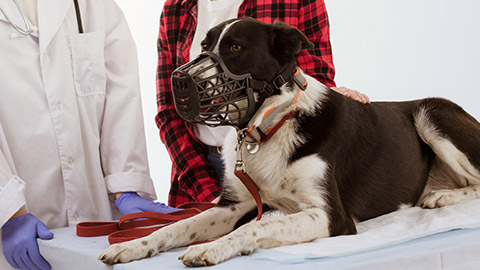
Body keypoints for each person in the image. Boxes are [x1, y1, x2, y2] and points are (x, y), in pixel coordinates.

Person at [0, 0, 177, 269]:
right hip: (11, 235)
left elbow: (121, 95)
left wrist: (126, 185)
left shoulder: (95, 6)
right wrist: (8, 210)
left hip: (96, 222)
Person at [156, 0, 370, 208]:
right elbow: (170, 110)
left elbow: (312, 81)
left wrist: (334, 100)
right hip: (200, 170)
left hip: (280, 165)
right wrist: (209, 193)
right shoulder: (176, 9)